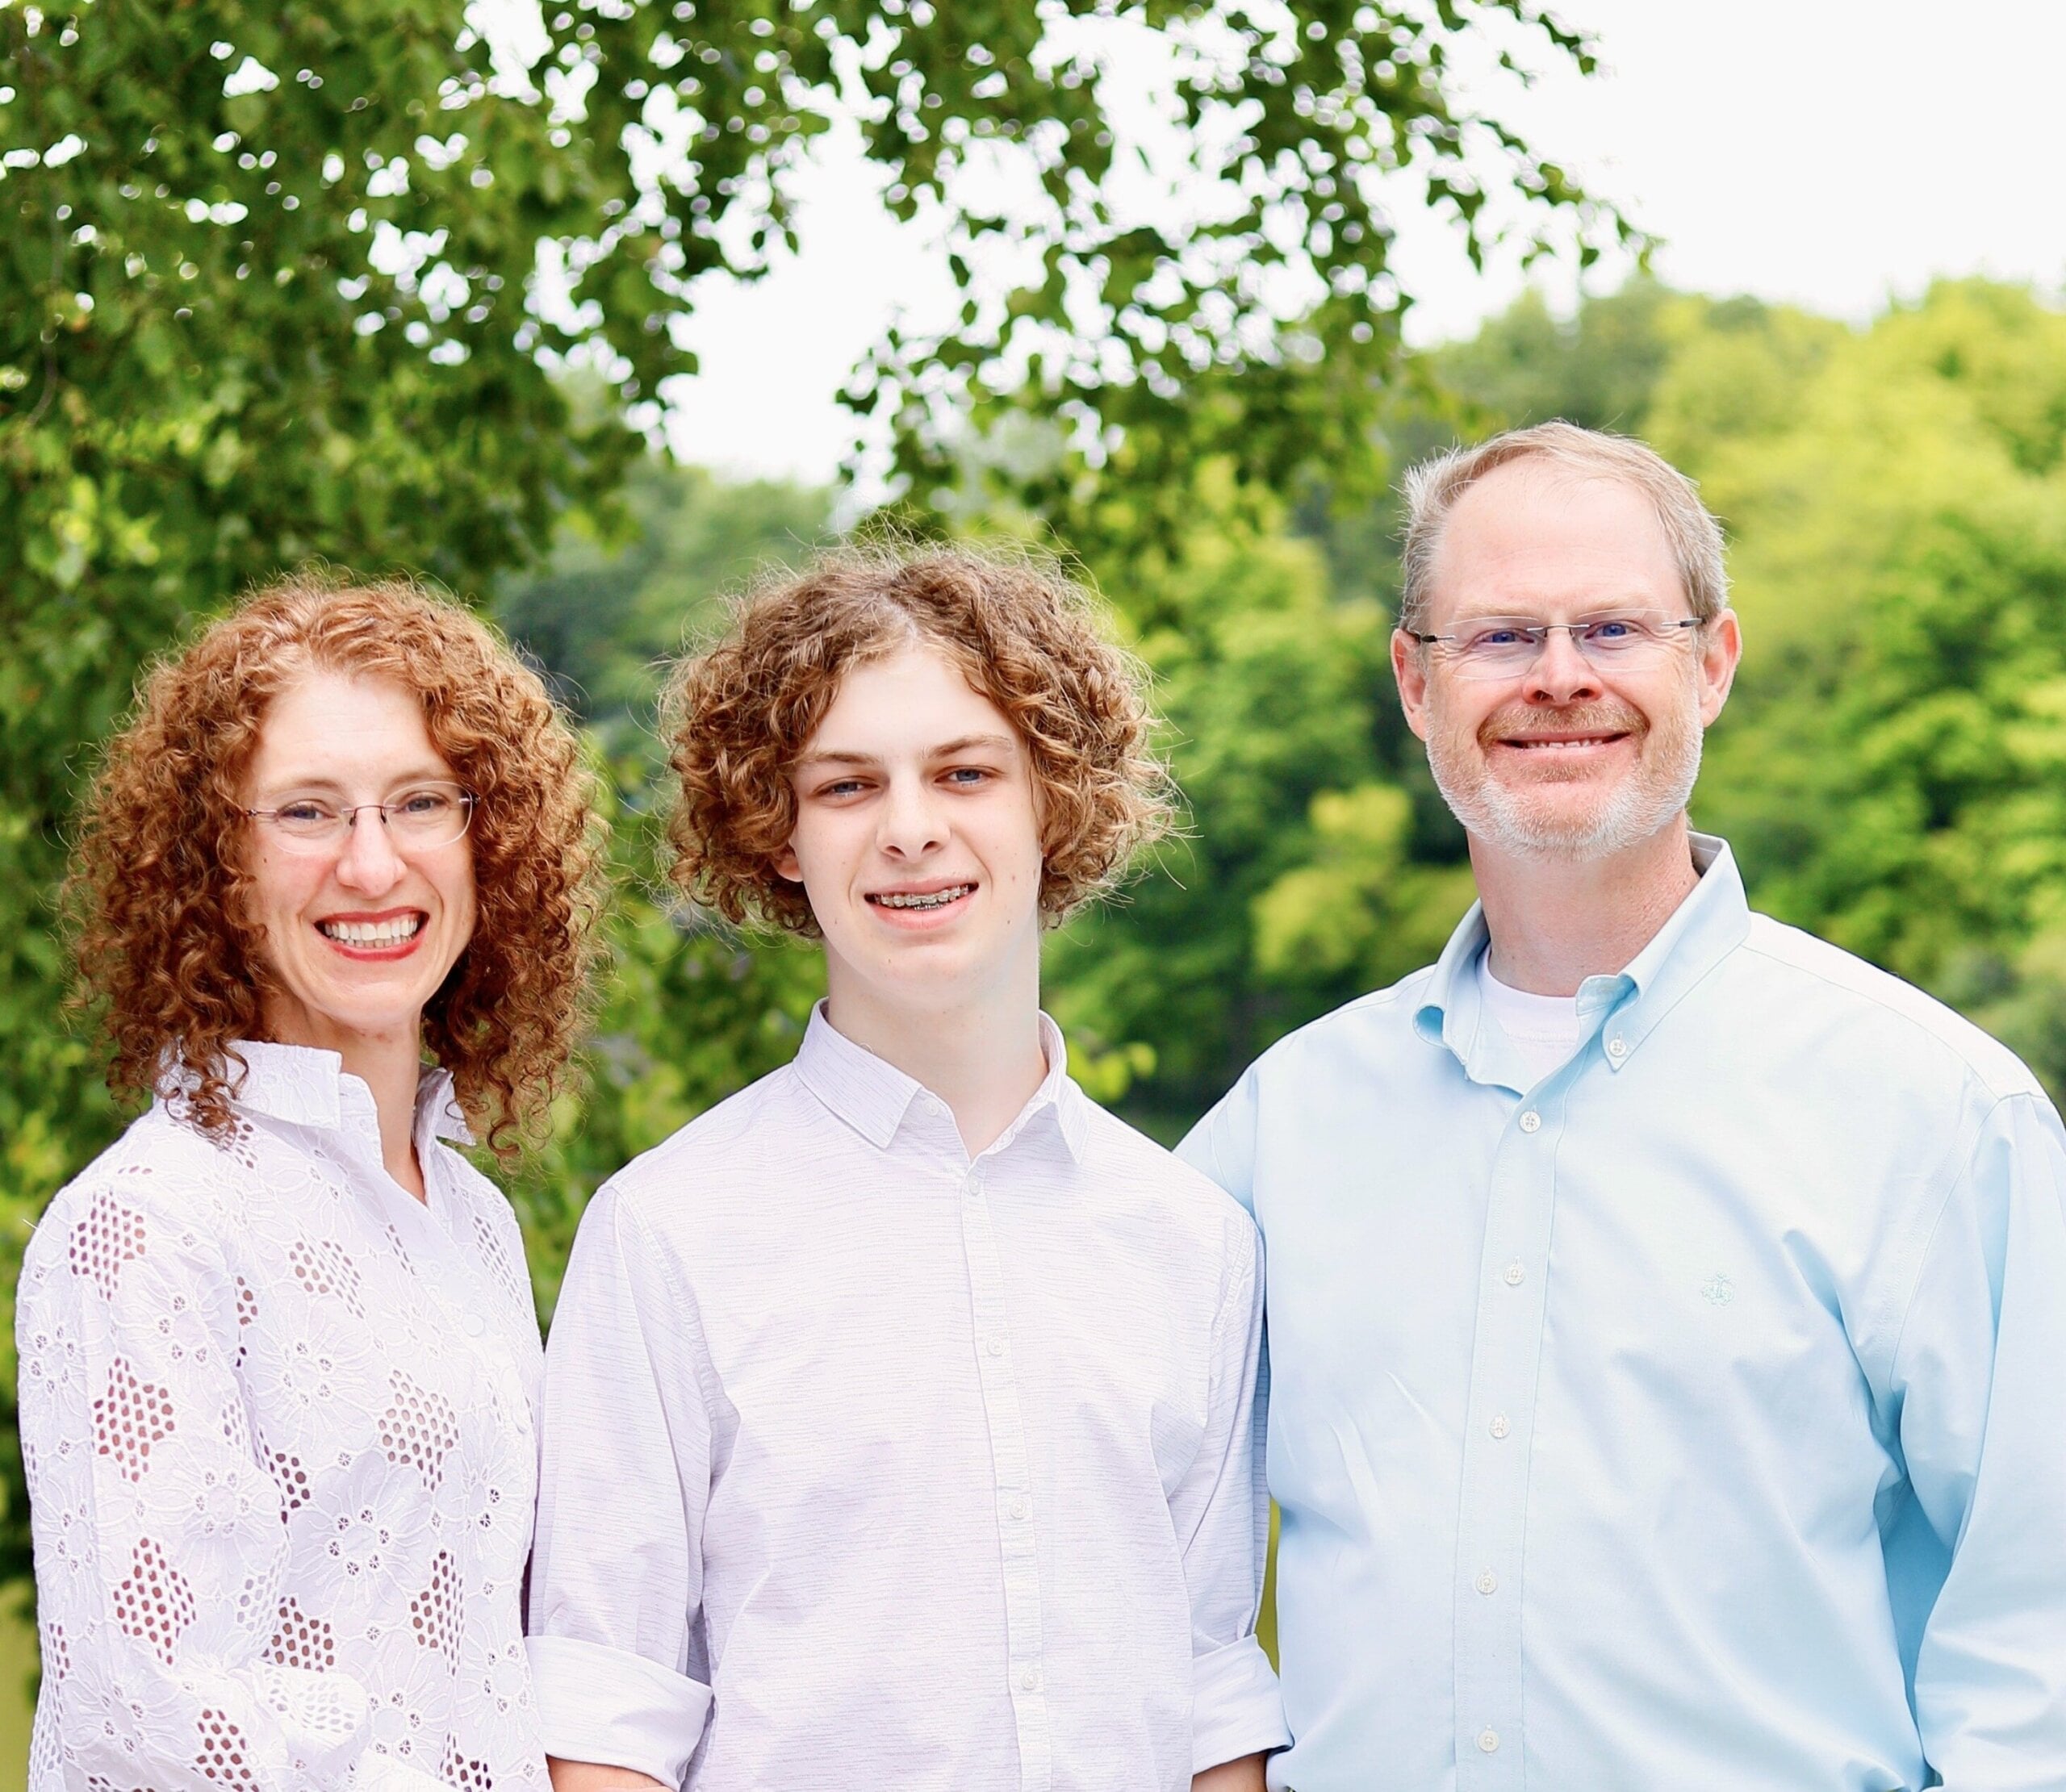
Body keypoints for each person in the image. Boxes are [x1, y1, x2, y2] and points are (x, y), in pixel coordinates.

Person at [1179, 422, 2066, 1789]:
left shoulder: (1936, 1115)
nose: (1559, 678)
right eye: (1499, 637)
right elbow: (1122, 1537)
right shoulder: (1276, 1131)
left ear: (1710, 665)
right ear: (1415, 684)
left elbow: (2038, 1636)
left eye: (1610, 626)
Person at [525, 545, 1286, 1792]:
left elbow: (1207, 1686)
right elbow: (607, 1704)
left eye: (965, 771)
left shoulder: (1194, 1238)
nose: (912, 828)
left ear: (1054, 799)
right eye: (845, 785)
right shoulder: (666, 1232)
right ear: (778, 835)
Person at [19, 574, 603, 1791]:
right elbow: (160, 1712)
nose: (373, 863)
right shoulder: (146, 1224)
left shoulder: (477, 1223)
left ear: (485, 839)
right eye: (306, 812)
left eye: (419, 803)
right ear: (213, 865)